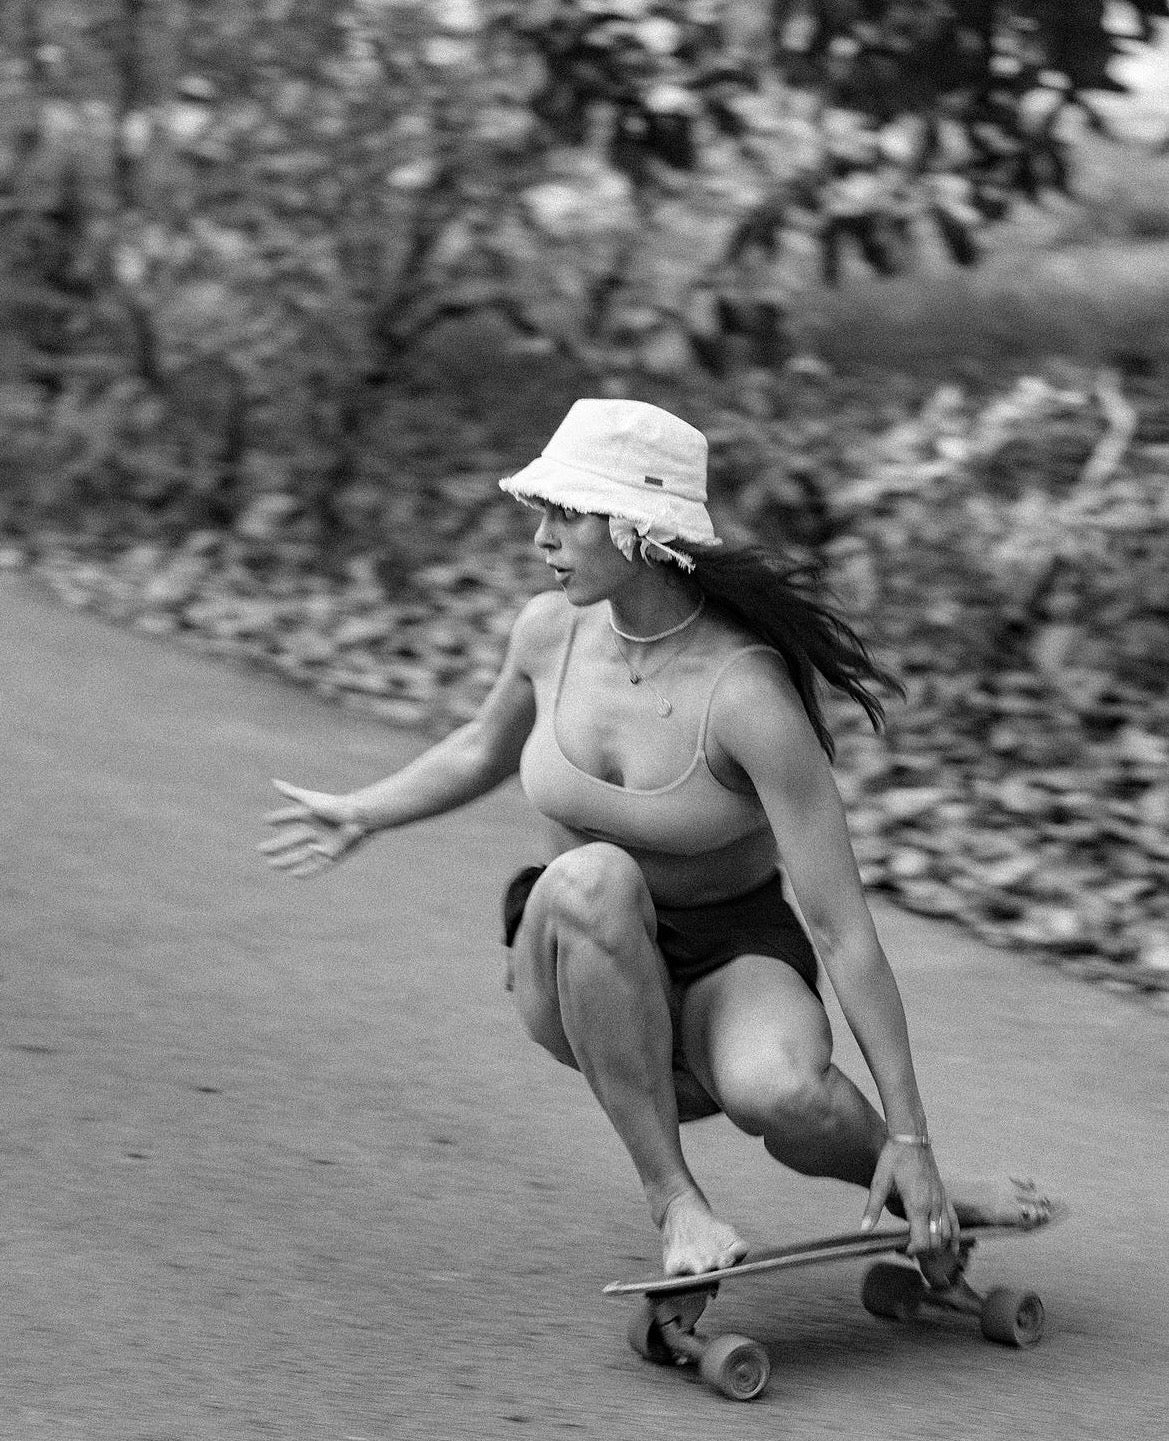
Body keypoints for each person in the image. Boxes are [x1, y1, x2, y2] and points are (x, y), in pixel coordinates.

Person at [261, 398, 958, 1277]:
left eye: (567, 515)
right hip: (577, 949)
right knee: (593, 875)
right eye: (542, 513)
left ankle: (921, 1194)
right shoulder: (548, 631)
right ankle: (677, 1204)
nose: (541, 538)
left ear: (635, 528)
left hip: (729, 953)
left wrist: (913, 1136)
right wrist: (362, 811)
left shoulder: (745, 695)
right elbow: (481, 747)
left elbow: (841, 928)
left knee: (786, 1094)